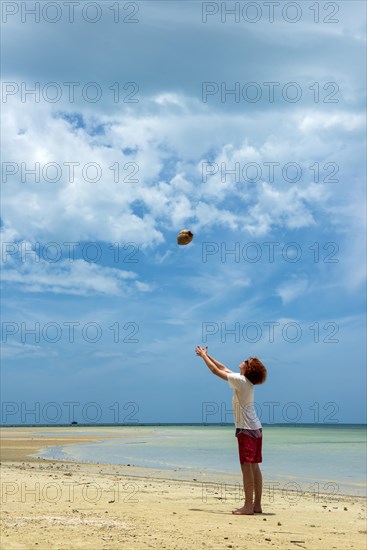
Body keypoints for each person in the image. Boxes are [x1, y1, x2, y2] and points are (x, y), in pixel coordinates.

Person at [195, 345, 267, 515]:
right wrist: (207, 355)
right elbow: (222, 367)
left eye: (246, 361)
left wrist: (204, 357)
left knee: (246, 467)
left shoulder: (241, 381)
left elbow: (214, 371)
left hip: (246, 430)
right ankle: (257, 505)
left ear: (248, 369)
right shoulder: (244, 381)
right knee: (254, 467)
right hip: (256, 429)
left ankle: (248, 506)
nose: (243, 361)